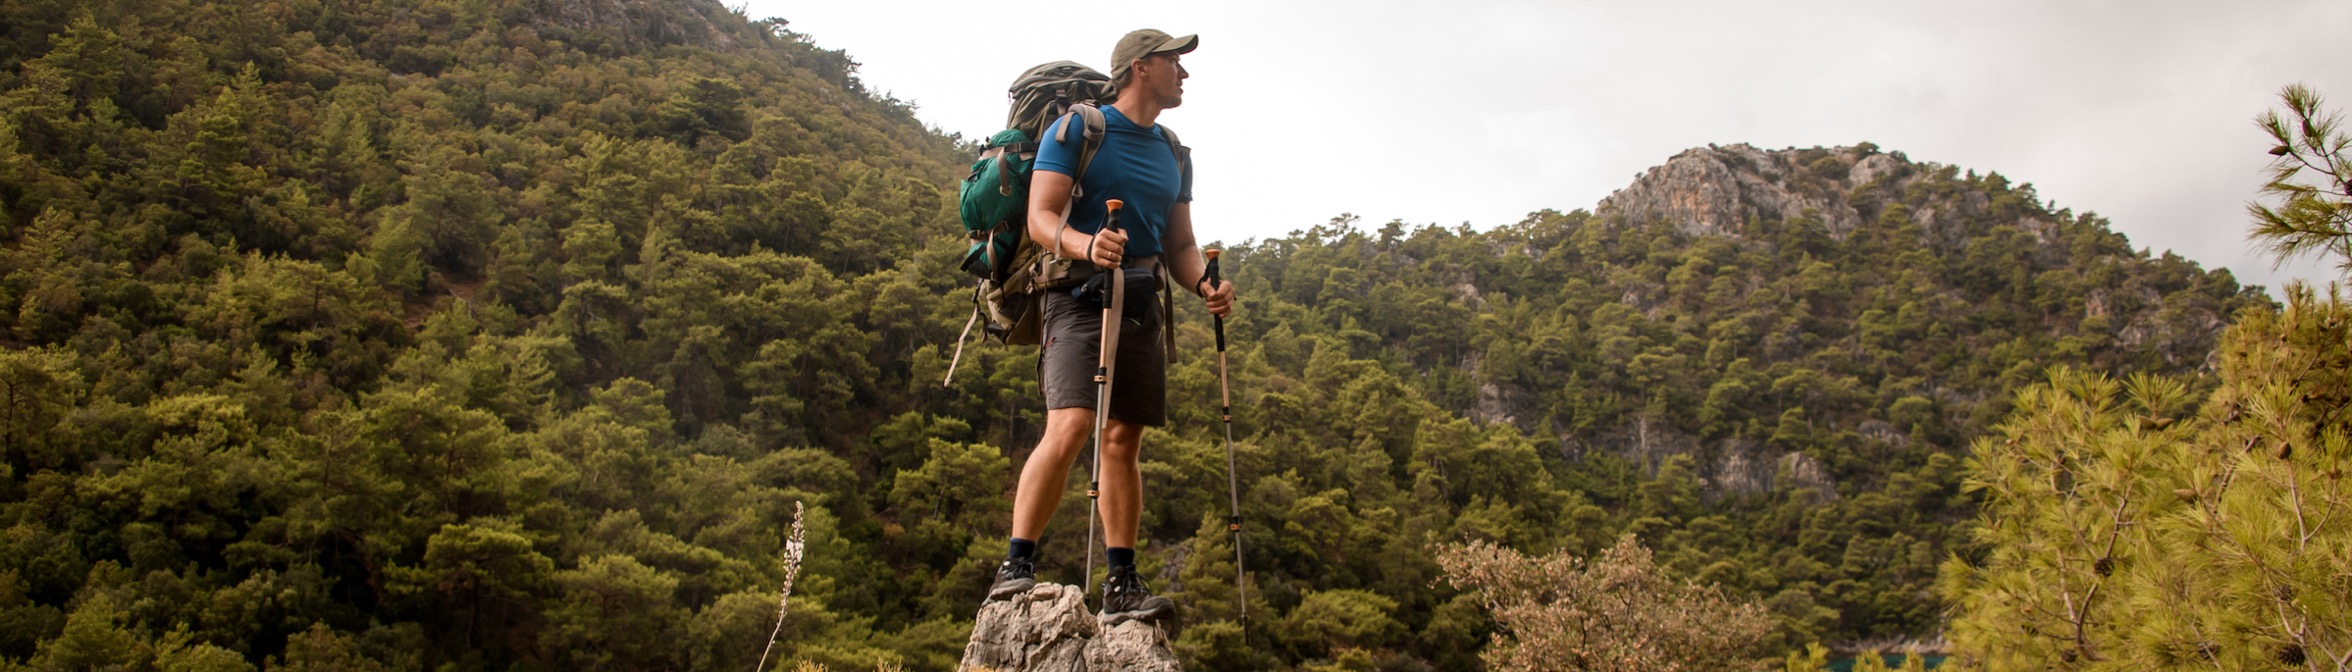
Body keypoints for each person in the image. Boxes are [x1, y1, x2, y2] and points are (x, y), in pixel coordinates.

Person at [986, 29, 1236, 625]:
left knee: (1124, 441)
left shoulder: (1175, 152)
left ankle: (1122, 583)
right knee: (1070, 425)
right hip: (1076, 294)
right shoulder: (1078, 129)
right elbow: (1041, 215)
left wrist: (1204, 283)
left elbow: (1181, 244)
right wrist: (1085, 243)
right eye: (1176, 62)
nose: (1185, 73)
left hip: (1144, 301)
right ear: (1141, 67)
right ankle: (1016, 565)